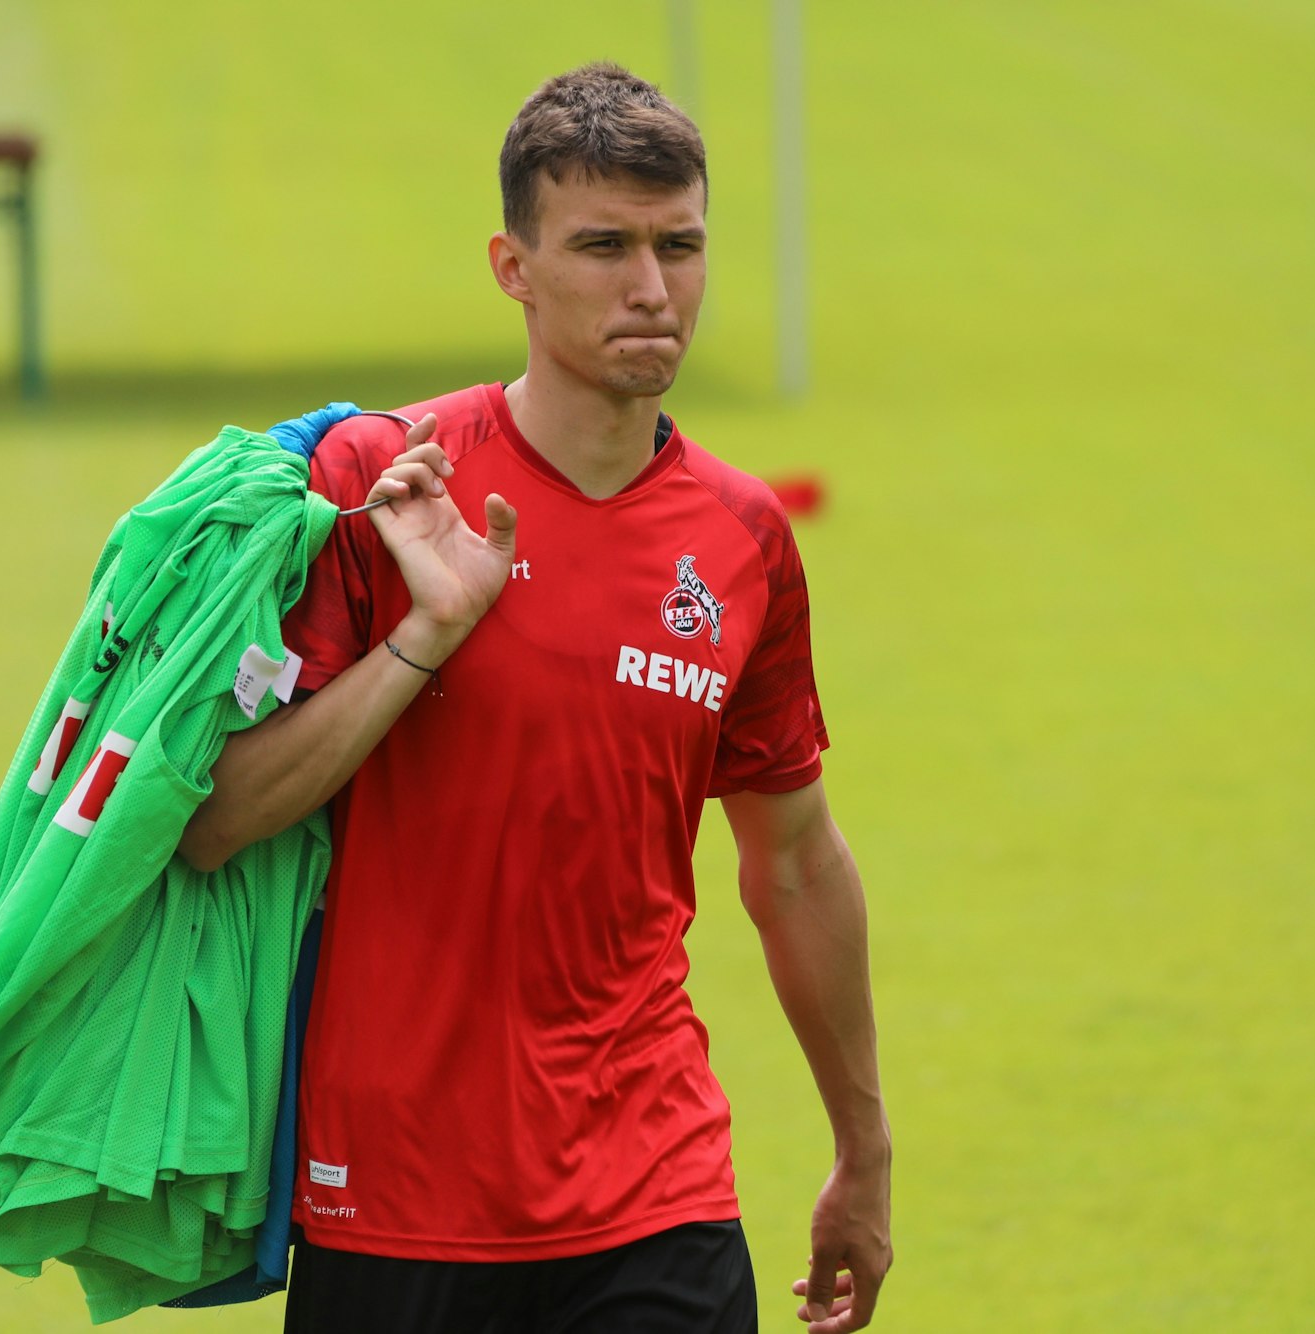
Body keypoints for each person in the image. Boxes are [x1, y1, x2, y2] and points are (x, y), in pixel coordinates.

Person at [180, 62, 891, 1334]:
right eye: (603, 246)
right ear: (511, 266)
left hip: (655, 1189)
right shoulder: (380, 481)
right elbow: (217, 814)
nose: (650, 288)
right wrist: (425, 635)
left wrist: (863, 1143)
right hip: (395, 1197)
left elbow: (792, 860)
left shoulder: (740, 537)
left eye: (679, 247)